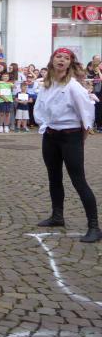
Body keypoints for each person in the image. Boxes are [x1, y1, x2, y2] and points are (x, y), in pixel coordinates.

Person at [33, 48, 99, 243]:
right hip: (50, 136)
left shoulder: (73, 87)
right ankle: (57, 216)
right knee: (54, 177)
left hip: (70, 137)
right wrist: (44, 126)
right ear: (52, 60)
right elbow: (39, 108)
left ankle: (94, 226)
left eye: (66, 58)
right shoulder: (46, 84)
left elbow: (86, 114)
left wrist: (81, 138)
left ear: (70, 63)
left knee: (79, 181)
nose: (61, 60)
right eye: (58, 57)